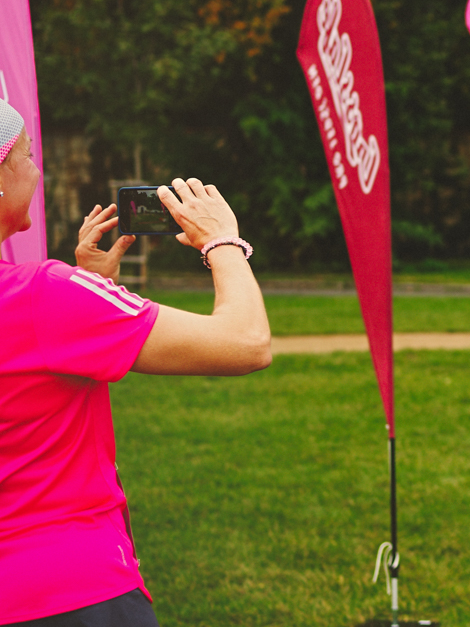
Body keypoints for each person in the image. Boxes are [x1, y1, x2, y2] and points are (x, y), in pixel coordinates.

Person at [0, 98, 272, 626]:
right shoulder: (44, 294)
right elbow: (246, 342)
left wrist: (92, 289)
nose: (38, 170)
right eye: (28, 156)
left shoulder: (53, 300)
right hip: (75, 591)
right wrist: (222, 241)